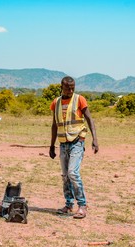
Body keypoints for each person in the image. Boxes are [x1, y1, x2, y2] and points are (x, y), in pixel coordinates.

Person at [49, 76, 99, 219]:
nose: (70, 90)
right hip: (63, 143)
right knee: (65, 176)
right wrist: (51, 145)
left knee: (73, 173)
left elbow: (89, 118)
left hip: (77, 141)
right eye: (67, 88)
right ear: (61, 87)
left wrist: (95, 139)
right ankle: (69, 204)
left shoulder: (79, 99)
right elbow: (54, 124)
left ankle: (82, 205)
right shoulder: (56, 102)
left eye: (73, 88)